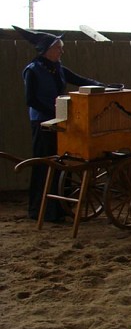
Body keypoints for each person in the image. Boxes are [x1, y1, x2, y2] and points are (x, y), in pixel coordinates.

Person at [12, 25, 112, 222]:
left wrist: (106, 86)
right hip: (43, 122)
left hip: (61, 121)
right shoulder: (32, 70)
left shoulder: (58, 68)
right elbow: (31, 100)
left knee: (62, 163)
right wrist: (56, 111)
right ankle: (40, 210)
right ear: (47, 50)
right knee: (44, 164)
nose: (62, 51)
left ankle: (60, 209)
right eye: (59, 48)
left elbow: (80, 79)